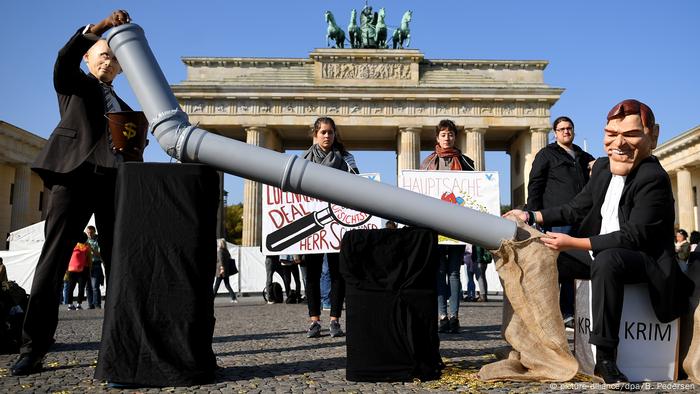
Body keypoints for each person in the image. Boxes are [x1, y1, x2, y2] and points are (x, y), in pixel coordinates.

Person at [507, 99, 694, 386]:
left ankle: (606, 358)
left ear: (652, 136)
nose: (618, 143)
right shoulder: (604, 168)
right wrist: (531, 214)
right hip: (600, 251)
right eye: (611, 134)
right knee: (537, 255)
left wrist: (574, 242)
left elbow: (634, 237)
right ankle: (536, 345)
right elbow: (575, 208)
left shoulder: (653, 177)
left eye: (630, 135)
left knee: (609, 260)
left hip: (645, 261)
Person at [10, 10, 134, 376]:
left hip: (113, 184)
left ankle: (117, 346)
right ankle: (33, 348)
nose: (109, 60)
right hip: (73, 178)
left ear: (122, 70)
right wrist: (96, 30)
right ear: (88, 58)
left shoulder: (126, 109)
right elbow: (62, 60)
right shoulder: (74, 85)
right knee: (52, 263)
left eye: (115, 58)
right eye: (103, 54)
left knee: (118, 267)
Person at [526, 116, 595, 329]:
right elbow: (535, 184)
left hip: (580, 218)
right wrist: (532, 214)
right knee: (554, 266)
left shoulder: (584, 157)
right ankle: (550, 313)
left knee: (574, 266)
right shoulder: (546, 154)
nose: (566, 132)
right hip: (555, 218)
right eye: (562, 129)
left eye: (569, 128)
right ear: (554, 133)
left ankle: (569, 311)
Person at [302, 117, 358, 338]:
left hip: (337, 223)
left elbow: (358, 183)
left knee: (337, 273)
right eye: (323, 132)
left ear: (335, 135)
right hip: (312, 223)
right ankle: (314, 320)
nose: (327, 136)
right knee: (313, 274)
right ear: (315, 135)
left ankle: (335, 319)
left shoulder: (346, 158)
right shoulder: (304, 160)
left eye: (331, 132)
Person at [420, 119, 474, 334]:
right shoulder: (427, 164)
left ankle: (454, 316)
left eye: (451, 134)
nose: (447, 138)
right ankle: (441, 315)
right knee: (438, 271)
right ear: (437, 138)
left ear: (455, 137)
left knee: (453, 273)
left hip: (457, 226)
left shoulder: (467, 163)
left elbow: (474, 191)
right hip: (435, 226)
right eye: (443, 134)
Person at [66, 233, 92, 310]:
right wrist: (90, 269)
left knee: (70, 288)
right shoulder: (86, 247)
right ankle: (78, 305)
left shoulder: (72, 246)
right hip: (83, 269)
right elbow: (89, 260)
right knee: (81, 288)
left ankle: (70, 305)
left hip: (71, 269)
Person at [85, 226, 104, 309]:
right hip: (87, 265)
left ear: (94, 232)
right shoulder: (85, 240)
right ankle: (90, 304)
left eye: (91, 232)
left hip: (96, 264)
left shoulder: (98, 241)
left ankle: (97, 304)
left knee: (95, 286)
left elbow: (100, 255)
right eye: (88, 232)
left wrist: (91, 249)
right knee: (88, 286)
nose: (89, 234)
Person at [214, 239, 238, 303]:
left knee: (216, 286)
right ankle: (234, 298)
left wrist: (221, 268)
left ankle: (211, 299)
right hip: (226, 271)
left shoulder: (220, 251)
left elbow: (221, 260)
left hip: (220, 271)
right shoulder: (226, 251)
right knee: (227, 285)